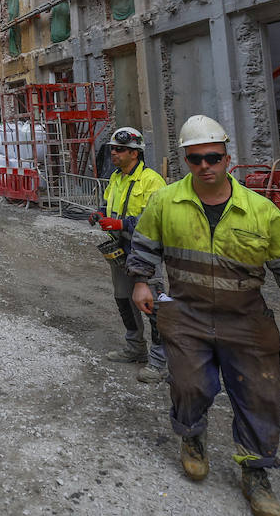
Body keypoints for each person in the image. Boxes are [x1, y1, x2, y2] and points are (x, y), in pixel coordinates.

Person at [126, 115, 280, 516]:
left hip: (246, 319)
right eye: (196, 159)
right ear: (185, 160)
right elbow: (145, 243)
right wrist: (142, 281)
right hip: (186, 313)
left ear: (227, 158)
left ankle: (256, 471)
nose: (205, 166)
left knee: (259, 395)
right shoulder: (166, 201)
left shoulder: (260, 210)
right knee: (190, 384)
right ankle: (192, 436)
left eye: (213, 157)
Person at [91, 126, 168, 382]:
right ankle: (135, 348)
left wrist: (122, 224)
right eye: (113, 149)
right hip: (119, 248)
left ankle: (159, 362)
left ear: (135, 153)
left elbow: (157, 221)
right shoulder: (116, 177)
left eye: (119, 149)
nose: (114, 153)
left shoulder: (152, 181)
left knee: (154, 305)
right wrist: (100, 215)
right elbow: (107, 203)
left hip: (144, 250)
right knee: (124, 299)